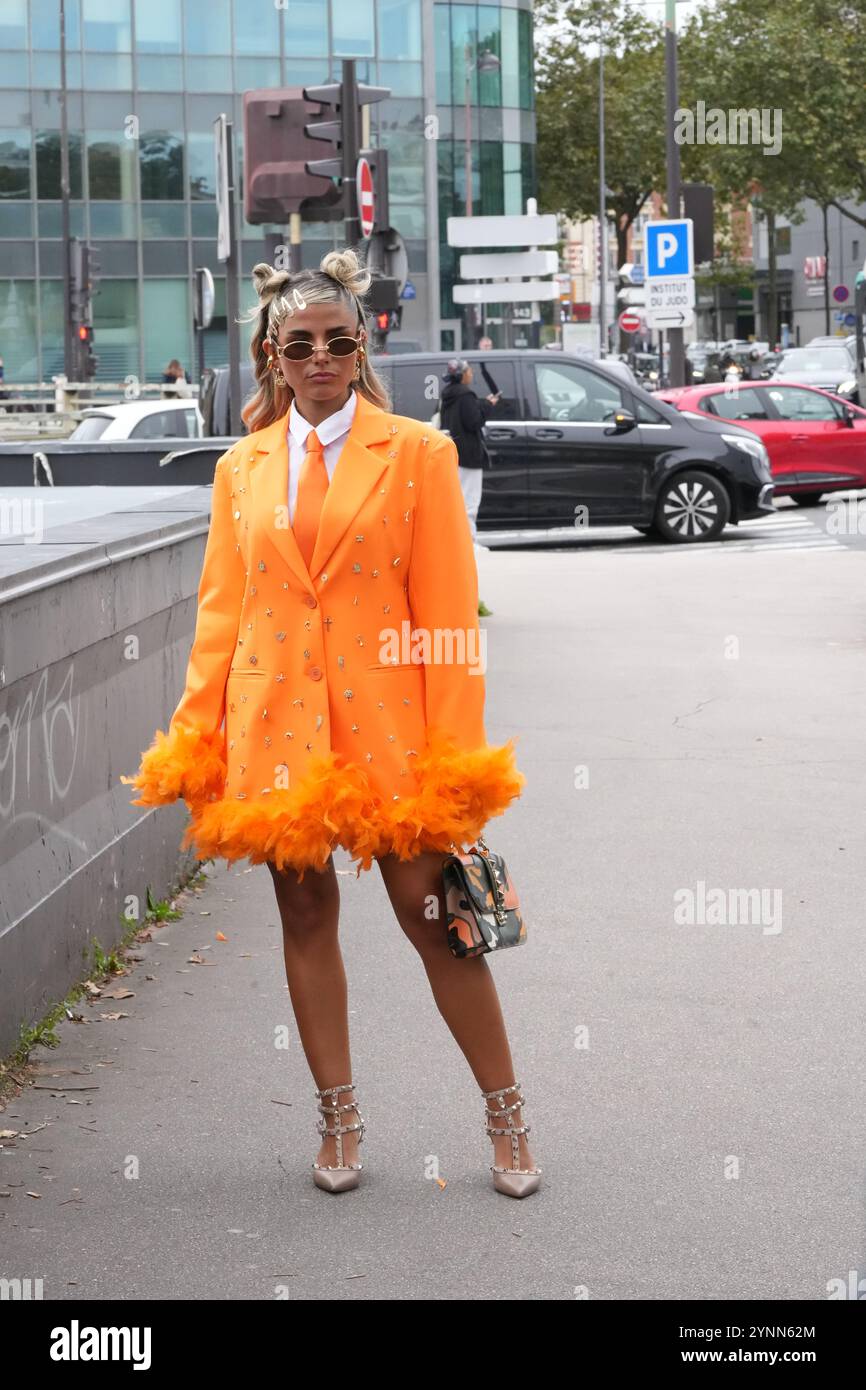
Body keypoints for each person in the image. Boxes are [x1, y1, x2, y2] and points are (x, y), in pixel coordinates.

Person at [121, 248, 539, 1200]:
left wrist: (457, 766)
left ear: (362, 347)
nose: (318, 358)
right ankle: (339, 1120)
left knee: (434, 920)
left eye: (336, 342)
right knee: (304, 914)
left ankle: (507, 1114)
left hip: (392, 731)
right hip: (278, 728)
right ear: (273, 353)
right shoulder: (241, 470)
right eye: (299, 344)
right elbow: (221, 613)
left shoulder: (419, 454)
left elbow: (446, 621)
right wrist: (196, 734)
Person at [439, 359, 499, 617]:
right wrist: (487, 405)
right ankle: (470, 539)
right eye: (470, 372)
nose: (472, 375)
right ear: (462, 375)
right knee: (470, 502)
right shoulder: (466, 396)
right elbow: (474, 421)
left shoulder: (448, 396)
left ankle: (465, 537)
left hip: (456, 454)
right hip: (471, 456)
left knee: (460, 499)